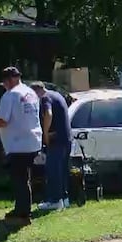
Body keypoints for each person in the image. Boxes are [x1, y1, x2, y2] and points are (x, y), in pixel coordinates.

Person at [0, 66, 42, 225]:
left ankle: (23, 214)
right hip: (32, 140)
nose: (4, 86)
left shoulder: (10, 95)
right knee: (24, 178)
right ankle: (22, 208)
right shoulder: (30, 92)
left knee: (19, 179)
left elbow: (2, 121)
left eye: (5, 83)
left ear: (9, 80)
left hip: (18, 143)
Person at [32, 81, 73, 211]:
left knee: (53, 170)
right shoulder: (57, 95)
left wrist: (45, 133)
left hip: (56, 139)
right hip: (66, 138)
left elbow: (48, 114)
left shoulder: (45, 98)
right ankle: (64, 198)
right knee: (62, 171)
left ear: (35, 92)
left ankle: (54, 200)